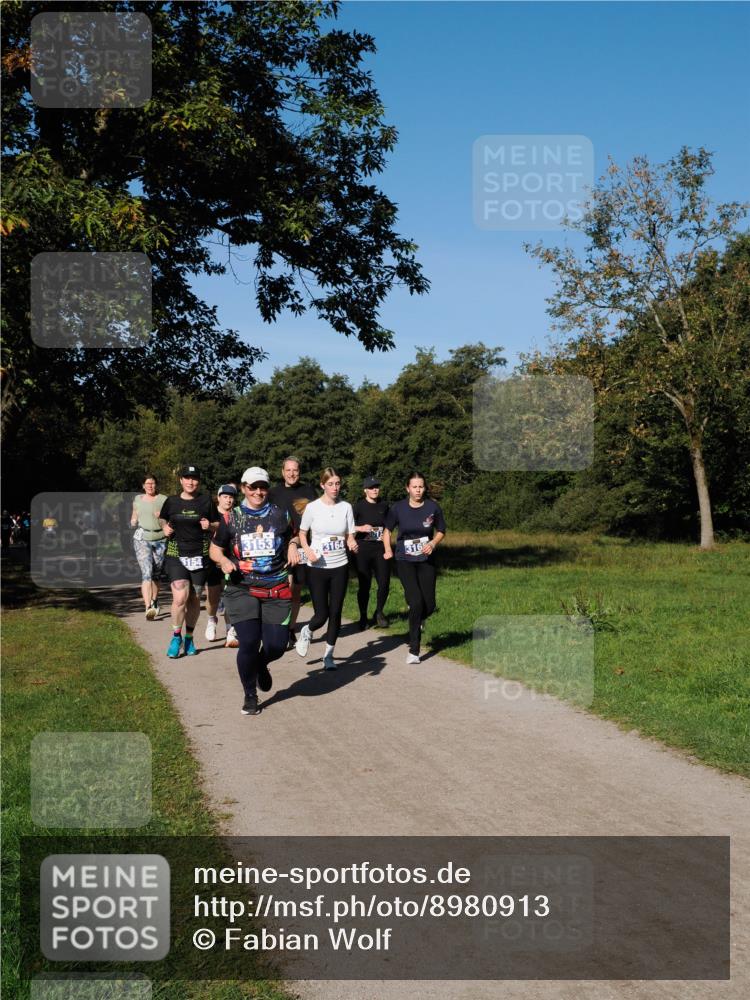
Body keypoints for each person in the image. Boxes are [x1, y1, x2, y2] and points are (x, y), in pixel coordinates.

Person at [209, 466, 298, 716]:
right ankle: (250, 694)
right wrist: (224, 561)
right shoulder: (231, 518)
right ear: (243, 488)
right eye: (253, 487)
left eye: (263, 487)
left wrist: (293, 545)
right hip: (242, 587)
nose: (258, 491)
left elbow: (294, 536)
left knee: (277, 646)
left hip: (276, 586)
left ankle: (261, 664)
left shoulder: (281, 515)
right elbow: (215, 549)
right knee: (248, 641)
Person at [295, 468, 357, 670]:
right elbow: (303, 533)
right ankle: (307, 630)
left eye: (338, 483)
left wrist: (352, 543)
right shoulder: (313, 508)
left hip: (340, 566)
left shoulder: (346, 507)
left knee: (336, 612)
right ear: (323, 485)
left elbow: (349, 534)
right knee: (321, 615)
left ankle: (328, 655)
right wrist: (307, 550)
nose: (335, 487)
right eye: (331, 484)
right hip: (318, 566)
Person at [383, 472, 446, 664]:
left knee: (430, 605)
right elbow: (387, 530)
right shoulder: (398, 508)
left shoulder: (432, 507)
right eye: (414, 487)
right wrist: (388, 549)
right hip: (405, 560)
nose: (418, 490)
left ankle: (416, 620)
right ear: (407, 488)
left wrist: (433, 543)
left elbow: (441, 530)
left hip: (426, 559)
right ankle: (414, 650)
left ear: (424, 488)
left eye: (421, 487)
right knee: (416, 602)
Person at [158, 465, 219, 658]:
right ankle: (176, 637)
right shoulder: (172, 501)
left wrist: (210, 526)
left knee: (194, 598)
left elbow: (217, 523)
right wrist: (164, 528)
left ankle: (190, 637)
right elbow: (162, 519)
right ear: (181, 481)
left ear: (198, 482)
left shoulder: (205, 501)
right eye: (187, 478)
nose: (190, 482)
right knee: (180, 598)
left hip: (200, 555)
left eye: (194, 479)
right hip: (177, 553)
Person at [268, 456, 317, 644]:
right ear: (282, 472)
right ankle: (280, 627)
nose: (291, 474)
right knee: (285, 589)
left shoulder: (308, 490)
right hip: (279, 547)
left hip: (304, 545)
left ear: (299, 471)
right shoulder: (273, 493)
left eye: (295, 470)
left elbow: (316, 517)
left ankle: (290, 629)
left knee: (296, 590)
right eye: (288, 470)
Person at [352, 475, 391, 629]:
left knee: (384, 582)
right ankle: (363, 616)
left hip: (380, 549)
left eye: (377, 487)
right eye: (371, 487)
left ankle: (379, 612)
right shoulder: (358, 507)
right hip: (363, 549)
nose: (375, 490)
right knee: (364, 584)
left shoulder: (384, 505)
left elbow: (389, 526)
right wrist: (360, 528)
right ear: (365, 490)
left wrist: (386, 534)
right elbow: (347, 526)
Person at [130, 475, 168, 619]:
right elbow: (135, 514)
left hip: (160, 539)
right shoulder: (138, 499)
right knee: (147, 573)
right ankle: (148, 607)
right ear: (143, 486)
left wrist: (162, 517)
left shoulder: (163, 499)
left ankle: (154, 600)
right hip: (142, 539)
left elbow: (170, 518)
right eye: (148, 483)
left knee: (156, 574)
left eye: (153, 483)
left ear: (156, 485)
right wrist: (133, 520)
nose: (150, 486)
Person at [215, 483, 239, 648]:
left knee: (231, 597)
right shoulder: (211, 513)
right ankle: (211, 618)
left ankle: (230, 632)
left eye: (231, 497)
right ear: (219, 497)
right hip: (212, 561)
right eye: (225, 496)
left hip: (230, 561)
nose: (229, 500)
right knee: (214, 597)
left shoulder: (238, 516)